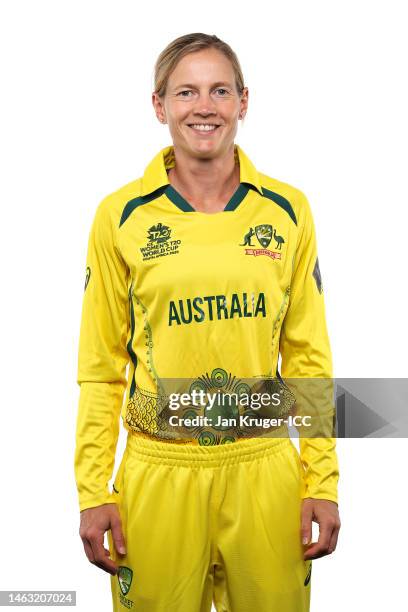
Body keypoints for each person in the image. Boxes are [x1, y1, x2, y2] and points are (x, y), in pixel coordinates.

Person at [75, 32, 341, 612]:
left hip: (265, 467)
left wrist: (322, 481)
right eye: (186, 91)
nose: (204, 106)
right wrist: (93, 489)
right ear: (159, 105)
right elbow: (100, 368)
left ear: (243, 101)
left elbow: (308, 358)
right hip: (158, 470)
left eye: (220, 90)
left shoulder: (287, 209)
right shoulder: (119, 216)